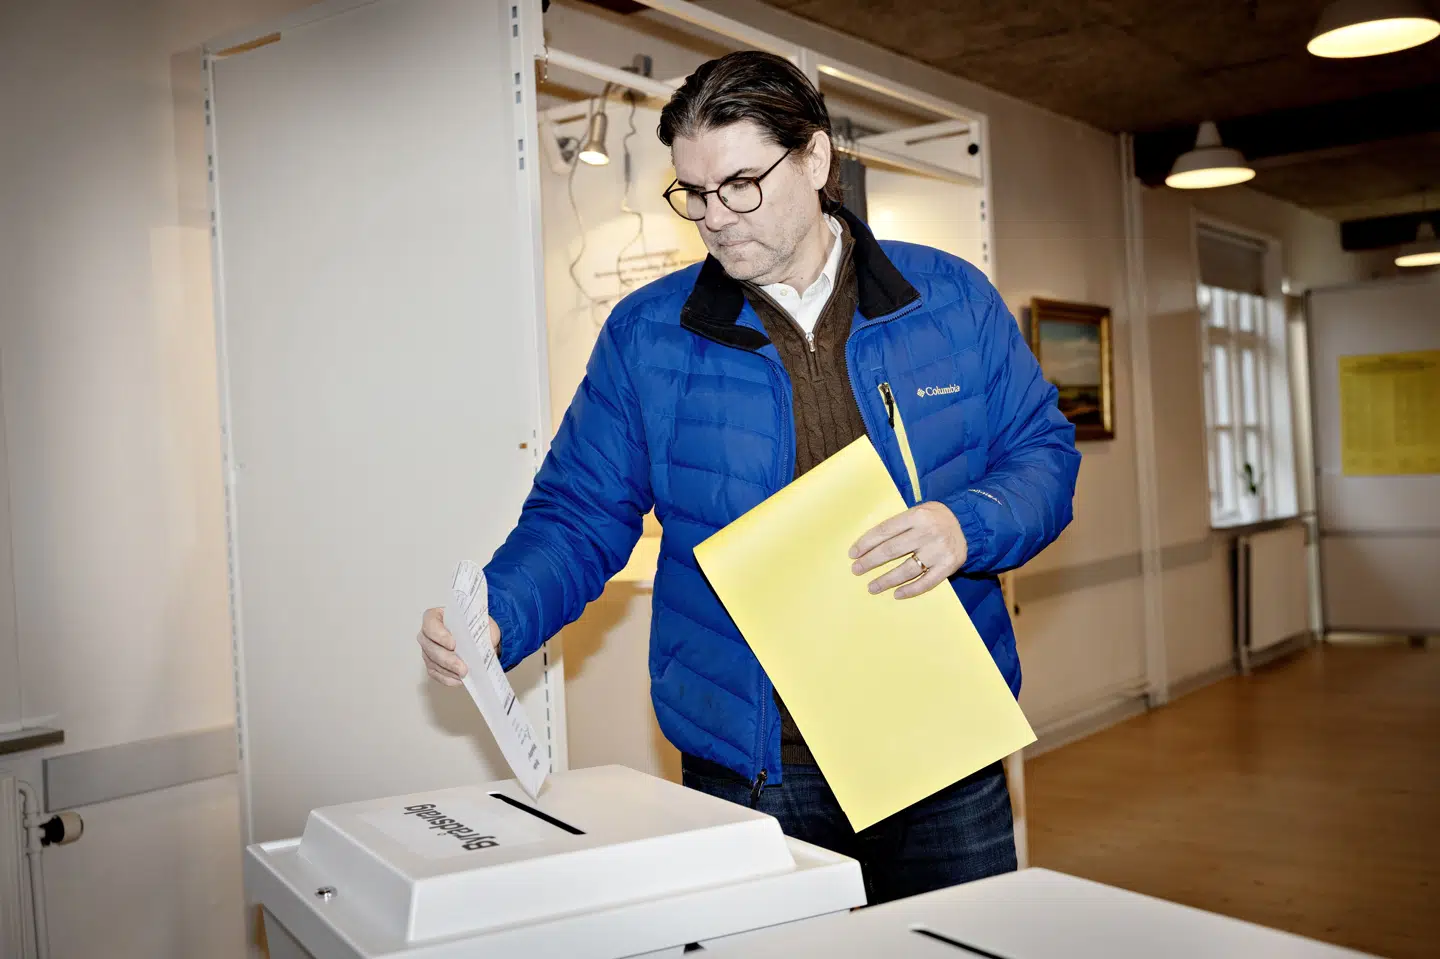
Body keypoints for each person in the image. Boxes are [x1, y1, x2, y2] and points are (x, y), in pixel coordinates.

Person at [418, 50, 1079, 904]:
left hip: (938, 747)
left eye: (739, 184)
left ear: (814, 159)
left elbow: (1043, 456)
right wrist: (501, 613)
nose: (714, 218)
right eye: (692, 194)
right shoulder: (647, 336)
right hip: (756, 769)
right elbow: (580, 513)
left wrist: (967, 524)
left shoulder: (950, 300)